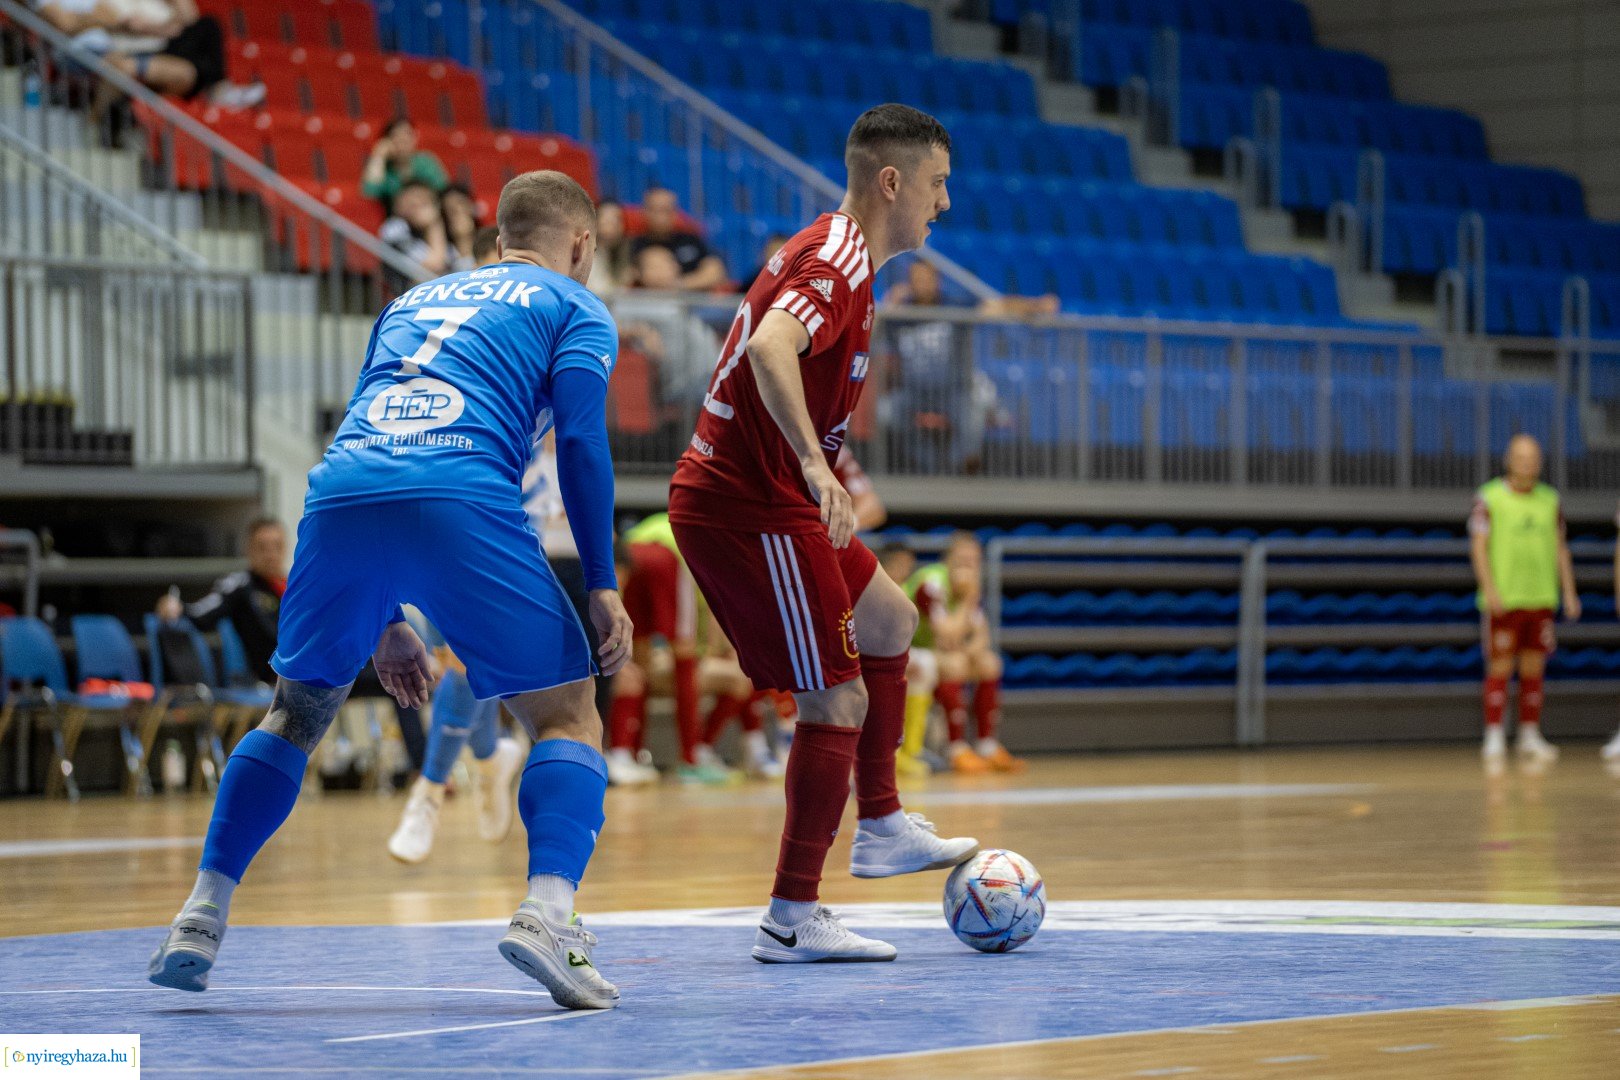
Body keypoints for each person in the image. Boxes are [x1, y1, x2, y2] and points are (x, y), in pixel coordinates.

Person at [146, 171, 633, 1011]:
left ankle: (200, 914)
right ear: (582, 245)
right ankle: (549, 916)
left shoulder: (411, 299)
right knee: (567, 713)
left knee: (295, 714)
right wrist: (601, 583)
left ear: (496, 241)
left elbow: (376, 435)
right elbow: (583, 443)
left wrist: (385, 620)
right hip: (461, 491)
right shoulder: (573, 304)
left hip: (342, 495)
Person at [669, 103, 978, 964]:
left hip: (773, 498)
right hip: (749, 506)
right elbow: (771, 347)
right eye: (937, 183)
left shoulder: (842, 256)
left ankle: (879, 823)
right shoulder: (838, 261)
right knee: (835, 700)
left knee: (892, 620)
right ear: (893, 182)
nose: (944, 203)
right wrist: (815, 464)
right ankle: (791, 917)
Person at [1469, 434, 1578, 768]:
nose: (1527, 463)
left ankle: (1529, 734)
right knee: (1500, 667)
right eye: (1520, 457)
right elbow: (1478, 547)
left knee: (1534, 668)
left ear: (1540, 462)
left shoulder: (1550, 500)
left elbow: (1560, 548)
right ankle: (1494, 735)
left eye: (1532, 457)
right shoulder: (1489, 497)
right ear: (1508, 460)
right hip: (1506, 598)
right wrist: (1490, 589)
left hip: (1540, 596)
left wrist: (1569, 591)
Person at [906, 531, 1023, 773]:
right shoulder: (931, 584)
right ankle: (955, 748)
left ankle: (986, 745)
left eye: (973, 562)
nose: (968, 568)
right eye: (962, 561)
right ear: (947, 560)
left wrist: (971, 650)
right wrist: (968, 600)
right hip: (909, 649)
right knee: (955, 664)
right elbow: (946, 635)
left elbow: (982, 636)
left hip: (939, 651)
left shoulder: (968, 588)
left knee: (989, 663)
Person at [35, 0, 265, 109]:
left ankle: (218, 88)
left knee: (208, 26)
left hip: (154, 42)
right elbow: (70, 24)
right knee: (195, 61)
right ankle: (218, 90)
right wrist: (141, 28)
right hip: (125, 47)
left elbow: (189, 16)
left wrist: (156, 27)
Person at [156, 517, 287, 686]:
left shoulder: (294, 587)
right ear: (248, 550)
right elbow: (201, 613)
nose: (271, 555)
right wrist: (177, 606)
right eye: (262, 548)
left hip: (297, 677)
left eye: (277, 546)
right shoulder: (240, 585)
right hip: (262, 681)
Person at [629, 185, 728, 291]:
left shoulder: (691, 240)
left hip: (690, 298)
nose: (661, 216)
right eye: (655, 210)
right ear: (644, 212)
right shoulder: (633, 245)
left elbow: (715, 271)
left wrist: (678, 284)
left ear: (675, 212)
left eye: (666, 210)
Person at [362, 118, 449, 213]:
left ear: (415, 138)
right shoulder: (384, 169)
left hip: (430, 212)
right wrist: (379, 156)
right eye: (396, 136)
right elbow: (369, 195)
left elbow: (444, 192)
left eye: (407, 134)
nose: (403, 140)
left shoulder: (426, 162)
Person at [378, 180, 451, 274]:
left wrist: (434, 224)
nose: (417, 204)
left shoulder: (448, 243)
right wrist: (433, 225)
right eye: (411, 203)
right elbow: (434, 264)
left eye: (424, 202)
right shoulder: (395, 228)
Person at [586, 198, 632, 297]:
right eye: (606, 220)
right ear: (594, 222)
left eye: (616, 220)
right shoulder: (583, 256)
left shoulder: (631, 255)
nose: (611, 225)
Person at [441, 185, 481, 272]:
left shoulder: (491, 240)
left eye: (462, 204)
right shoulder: (444, 255)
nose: (459, 211)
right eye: (451, 210)